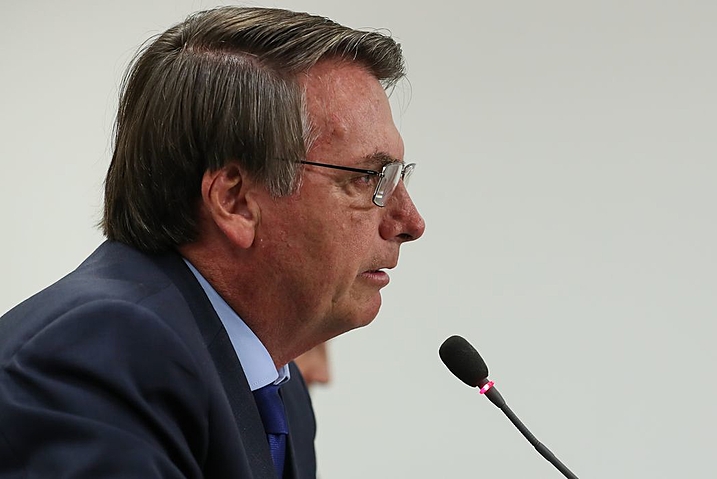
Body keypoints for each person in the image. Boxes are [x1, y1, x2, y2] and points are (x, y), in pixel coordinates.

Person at [0, 6, 424, 479]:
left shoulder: (280, 392)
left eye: (397, 176)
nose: (410, 222)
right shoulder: (99, 356)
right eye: (369, 178)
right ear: (235, 202)